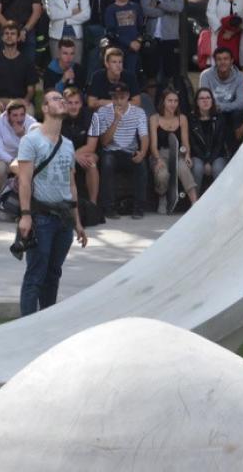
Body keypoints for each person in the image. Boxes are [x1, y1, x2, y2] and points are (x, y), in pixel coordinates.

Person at [17, 90, 87, 316]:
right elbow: (25, 180)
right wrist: (26, 215)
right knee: (36, 273)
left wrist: (77, 222)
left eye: (63, 99)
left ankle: (46, 319)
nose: (62, 102)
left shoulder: (68, 143)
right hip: (41, 216)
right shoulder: (31, 140)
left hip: (64, 217)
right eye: (56, 99)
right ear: (45, 108)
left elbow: (72, 184)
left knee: (54, 272)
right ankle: (26, 324)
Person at [94, 82, 149, 220]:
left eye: (122, 97)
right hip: (111, 150)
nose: (119, 101)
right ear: (111, 98)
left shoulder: (139, 112)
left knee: (141, 165)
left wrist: (142, 152)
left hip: (130, 151)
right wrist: (116, 119)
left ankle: (139, 208)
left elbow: (144, 136)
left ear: (128, 96)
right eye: (115, 97)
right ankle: (109, 208)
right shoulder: (103, 111)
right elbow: (104, 142)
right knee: (107, 163)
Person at [148, 88, 198, 215]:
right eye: (170, 100)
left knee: (183, 169)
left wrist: (187, 155)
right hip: (159, 153)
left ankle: (195, 202)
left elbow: (185, 142)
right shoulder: (155, 118)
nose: (173, 104)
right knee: (162, 174)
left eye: (176, 101)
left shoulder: (182, 118)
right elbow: (153, 145)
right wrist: (158, 159)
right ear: (163, 102)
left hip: (177, 153)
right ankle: (162, 197)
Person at [140, 0, 184, 83]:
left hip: (170, 37)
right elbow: (146, 10)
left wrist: (159, 4)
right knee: (151, 75)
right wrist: (167, 10)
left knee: (170, 74)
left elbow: (178, 7)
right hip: (151, 36)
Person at [0, 22, 38, 115]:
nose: (9, 36)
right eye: (6, 33)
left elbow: (31, 90)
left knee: (29, 113)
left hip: (20, 102)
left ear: (18, 37)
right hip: (0, 102)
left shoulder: (27, 62)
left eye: (13, 33)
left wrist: (26, 101)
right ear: (2, 37)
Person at [61, 86, 100, 215]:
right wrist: (73, 157)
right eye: (69, 103)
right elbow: (55, 146)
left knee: (91, 163)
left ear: (81, 104)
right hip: (63, 155)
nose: (73, 106)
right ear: (63, 104)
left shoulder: (93, 117)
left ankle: (93, 205)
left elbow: (91, 146)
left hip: (86, 152)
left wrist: (75, 155)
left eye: (76, 103)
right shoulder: (57, 117)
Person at [199, 47, 243, 153]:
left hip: (231, 113)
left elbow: (241, 103)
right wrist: (216, 107)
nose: (222, 62)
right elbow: (204, 100)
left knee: (238, 114)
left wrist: (219, 106)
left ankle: (235, 152)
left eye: (225, 59)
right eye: (219, 59)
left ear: (232, 61)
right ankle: (215, 152)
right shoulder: (206, 75)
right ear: (215, 61)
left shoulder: (240, 77)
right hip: (213, 112)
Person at [44, 0, 90, 64]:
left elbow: (86, 14)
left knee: (75, 67)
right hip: (56, 36)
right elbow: (53, 15)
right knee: (58, 67)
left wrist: (67, 21)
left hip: (76, 35)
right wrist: (72, 12)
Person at [188, 87, 228, 192]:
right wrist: (205, 162)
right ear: (196, 102)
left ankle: (220, 201)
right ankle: (195, 202)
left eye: (208, 98)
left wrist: (210, 161)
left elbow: (219, 143)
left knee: (217, 169)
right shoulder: (191, 119)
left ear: (212, 101)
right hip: (198, 155)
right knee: (197, 169)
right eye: (202, 98)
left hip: (217, 154)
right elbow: (193, 144)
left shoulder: (220, 118)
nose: (205, 100)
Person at [103, 0, 144, 76]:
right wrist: (128, 43)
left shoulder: (136, 7)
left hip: (134, 48)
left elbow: (141, 27)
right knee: (117, 73)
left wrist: (138, 41)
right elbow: (110, 31)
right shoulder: (110, 9)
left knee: (131, 73)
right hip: (117, 48)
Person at [0, 99, 33, 197]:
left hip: (23, 158)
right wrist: (13, 162)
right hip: (4, 158)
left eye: (22, 115)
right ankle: (0, 198)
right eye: (15, 115)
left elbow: (34, 148)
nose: (19, 119)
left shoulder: (31, 122)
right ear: (7, 115)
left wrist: (23, 135)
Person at [87, 46, 141, 110]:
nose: (118, 66)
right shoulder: (98, 76)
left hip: (125, 113)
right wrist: (121, 103)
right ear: (106, 64)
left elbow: (137, 103)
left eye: (120, 62)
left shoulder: (130, 77)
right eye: (114, 62)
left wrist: (103, 102)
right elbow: (91, 103)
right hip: (103, 113)